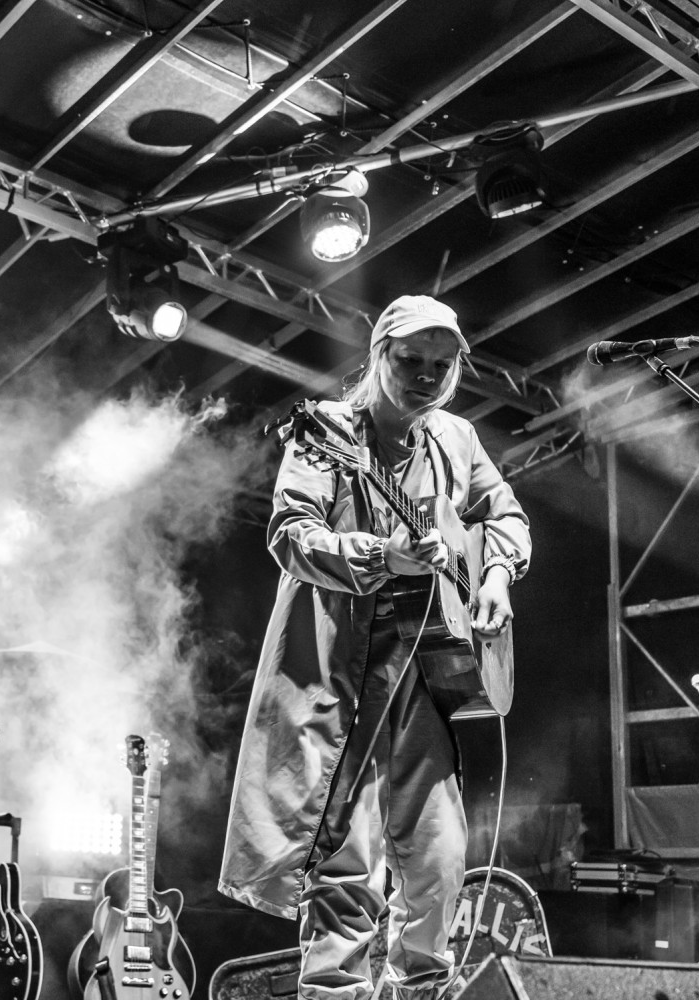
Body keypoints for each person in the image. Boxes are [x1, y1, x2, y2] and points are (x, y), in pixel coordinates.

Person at [218, 294, 531, 1000]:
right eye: (410, 360)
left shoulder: (455, 438)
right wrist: (381, 554)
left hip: (428, 677)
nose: (426, 375)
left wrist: (498, 576)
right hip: (339, 673)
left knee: (442, 857)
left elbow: (504, 514)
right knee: (344, 860)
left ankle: (419, 990)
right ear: (378, 356)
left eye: (441, 365)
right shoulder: (329, 431)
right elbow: (290, 534)